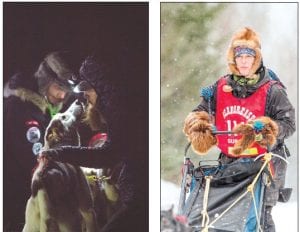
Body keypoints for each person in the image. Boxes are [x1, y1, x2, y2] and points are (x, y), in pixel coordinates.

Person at [183, 27, 295, 231]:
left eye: (249, 55)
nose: (244, 60)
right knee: (224, 216)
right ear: (233, 58)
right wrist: (199, 123)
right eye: (239, 55)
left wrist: (269, 131)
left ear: (256, 58)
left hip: (264, 163)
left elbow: (289, 123)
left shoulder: (273, 90)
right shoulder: (220, 87)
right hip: (229, 163)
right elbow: (200, 112)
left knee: (258, 217)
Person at [41, 55, 148, 232]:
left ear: (102, 88)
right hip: (136, 194)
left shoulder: (121, 113)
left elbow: (108, 154)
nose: (85, 95)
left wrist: (61, 153)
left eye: (88, 89)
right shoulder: (121, 109)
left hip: (139, 197)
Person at [3, 51, 78, 231]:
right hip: (17, 197)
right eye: (58, 88)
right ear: (45, 82)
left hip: (33, 196)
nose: (62, 96)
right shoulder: (19, 108)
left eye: (66, 92)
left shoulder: (43, 109)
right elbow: (33, 159)